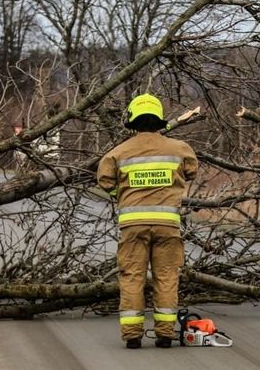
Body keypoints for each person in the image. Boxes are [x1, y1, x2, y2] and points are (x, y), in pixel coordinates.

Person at [97, 93, 198, 349]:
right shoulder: (180, 149)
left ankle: (132, 336)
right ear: (159, 120)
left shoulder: (118, 153)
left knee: (132, 276)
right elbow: (191, 171)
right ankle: (165, 334)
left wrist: (123, 194)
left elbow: (105, 180)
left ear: (132, 121)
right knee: (166, 275)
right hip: (167, 225)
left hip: (132, 226)